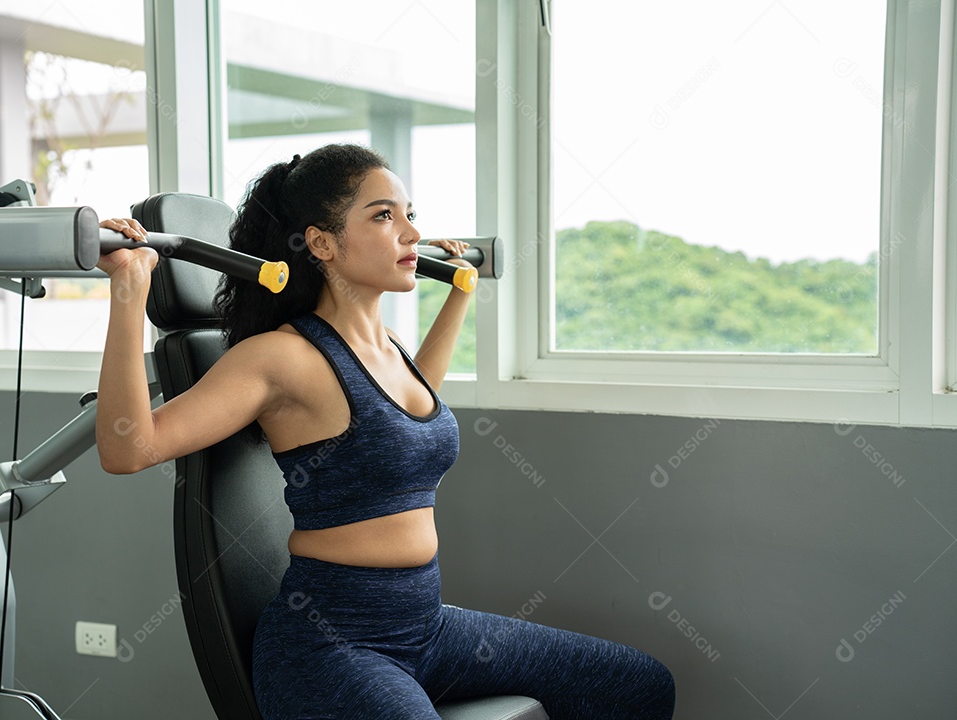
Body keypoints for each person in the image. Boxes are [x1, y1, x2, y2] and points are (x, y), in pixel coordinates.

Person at [95, 143, 675, 719]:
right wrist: (128, 291)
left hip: (425, 627)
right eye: (383, 215)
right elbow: (128, 448)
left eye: (409, 215)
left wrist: (457, 295)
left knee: (637, 685)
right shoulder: (282, 357)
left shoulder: (387, 349)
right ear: (321, 242)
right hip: (333, 644)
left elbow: (410, 415)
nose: (411, 234)